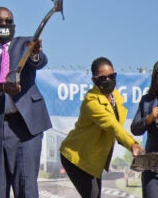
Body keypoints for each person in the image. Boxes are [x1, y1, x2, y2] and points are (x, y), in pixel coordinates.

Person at [0, 6, 51, 198]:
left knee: (26, 188)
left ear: (14, 25)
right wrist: (2, 87)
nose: (4, 24)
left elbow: (40, 62)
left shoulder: (26, 44)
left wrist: (35, 53)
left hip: (27, 127)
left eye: (8, 21)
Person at [59, 57, 145, 198]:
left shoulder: (116, 98)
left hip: (93, 160)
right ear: (94, 80)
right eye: (103, 78)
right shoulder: (91, 101)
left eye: (111, 76)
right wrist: (132, 144)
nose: (108, 80)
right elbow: (112, 125)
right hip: (76, 158)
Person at [131, 58, 158, 198]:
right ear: (156, 77)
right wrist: (150, 118)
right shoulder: (147, 101)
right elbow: (135, 129)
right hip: (152, 169)